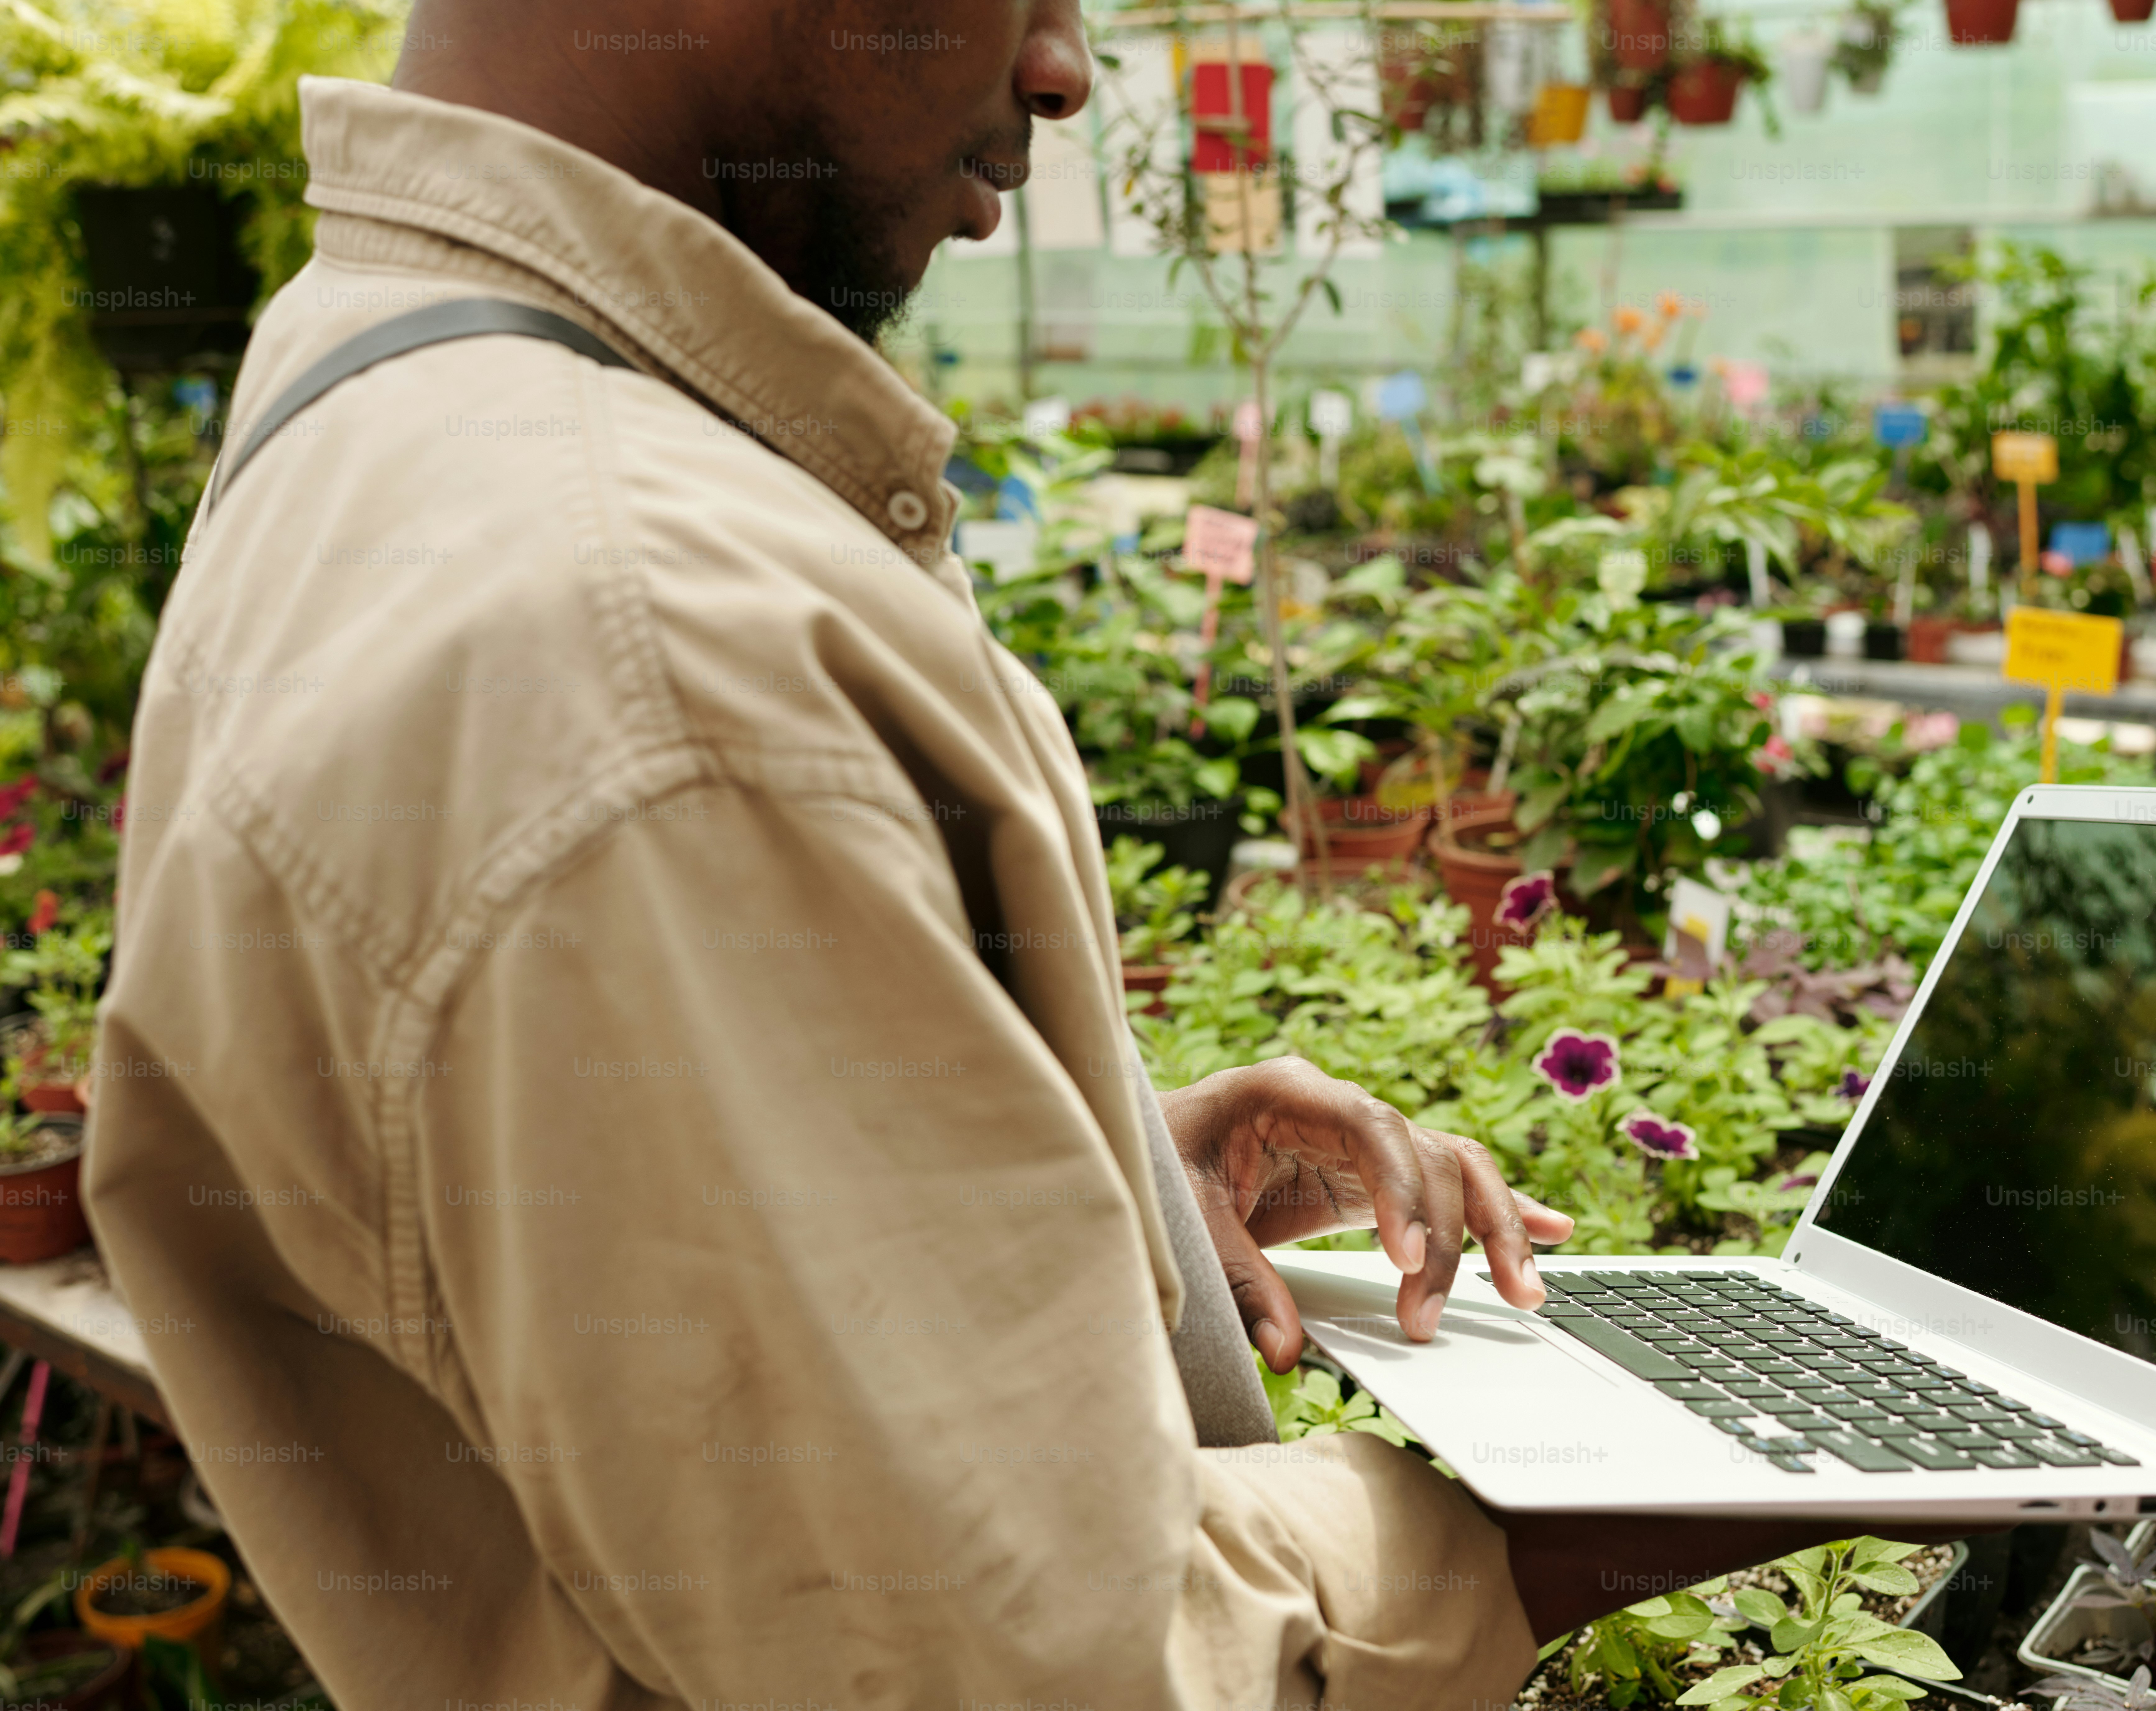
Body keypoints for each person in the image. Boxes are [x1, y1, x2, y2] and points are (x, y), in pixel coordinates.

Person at [89, 3, 1867, 1705]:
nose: (1063, 66)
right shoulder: (643, 646)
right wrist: (1664, 1478)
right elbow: (1064, 1672)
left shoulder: (381, 376)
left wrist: (1096, 1192)